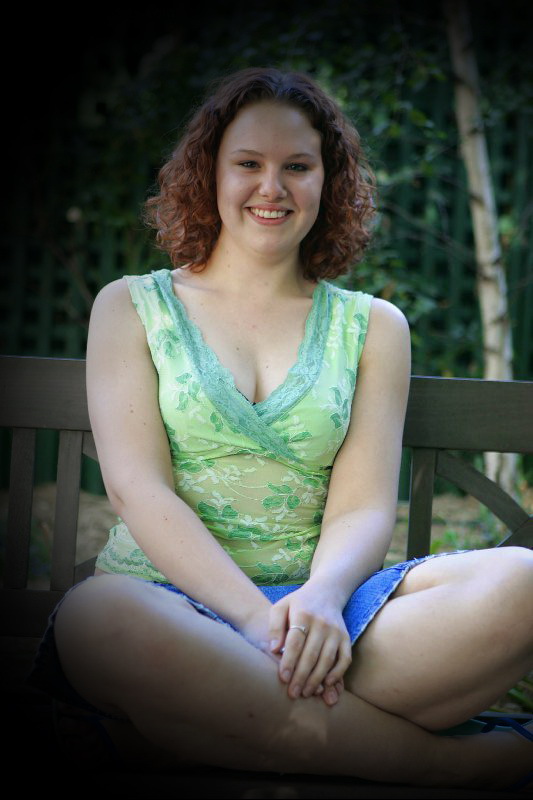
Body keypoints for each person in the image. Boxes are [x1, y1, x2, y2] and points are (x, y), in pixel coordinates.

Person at [29, 66, 532, 790]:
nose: (272, 187)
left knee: (522, 582)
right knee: (97, 619)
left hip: (330, 617)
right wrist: (254, 623)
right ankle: (446, 765)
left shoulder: (372, 327)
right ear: (209, 173)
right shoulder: (131, 307)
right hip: (161, 609)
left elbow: (362, 506)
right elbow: (139, 490)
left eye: (297, 166)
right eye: (248, 164)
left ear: (329, 181)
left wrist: (321, 599)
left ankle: (180, 731)